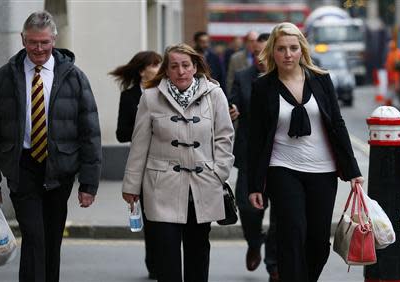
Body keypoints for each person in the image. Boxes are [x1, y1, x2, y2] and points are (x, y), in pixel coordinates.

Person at [0, 11, 101, 282]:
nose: (39, 49)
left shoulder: (74, 77)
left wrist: (89, 184)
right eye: (33, 42)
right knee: (34, 237)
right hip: (22, 167)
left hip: (60, 169)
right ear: (23, 39)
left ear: (54, 40)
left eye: (44, 42)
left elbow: (90, 133)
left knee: (51, 239)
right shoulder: (4, 78)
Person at [248, 22, 364, 282]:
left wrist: (353, 171)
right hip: (283, 168)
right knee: (292, 233)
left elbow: (337, 124)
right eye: (281, 49)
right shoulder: (263, 87)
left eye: (293, 48)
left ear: (302, 50)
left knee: (318, 242)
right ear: (272, 52)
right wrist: (254, 185)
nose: (288, 54)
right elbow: (255, 139)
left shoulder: (321, 79)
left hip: (322, 171)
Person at [121, 43, 234, 282]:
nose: (181, 71)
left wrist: (219, 171)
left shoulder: (214, 94)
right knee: (166, 257)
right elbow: (139, 144)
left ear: (195, 67)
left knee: (198, 253)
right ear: (167, 70)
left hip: (203, 184)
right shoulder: (150, 98)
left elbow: (225, 135)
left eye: (185, 65)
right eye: (174, 66)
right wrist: (131, 186)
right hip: (161, 186)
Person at [228, 33, 278, 281]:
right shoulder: (243, 77)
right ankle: (254, 241)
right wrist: (232, 110)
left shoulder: (285, 77)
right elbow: (232, 102)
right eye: (255, 52)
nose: (259, 58)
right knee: (247, 210)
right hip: (249, 156)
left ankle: (274, 265)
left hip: (280, 158)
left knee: (281, 214)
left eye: (264, 53)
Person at [109, 50, 162, 279]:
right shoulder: (129, 96)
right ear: (143, 71)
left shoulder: (167, 93)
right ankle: (154, 262)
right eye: (155, 64)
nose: (159, 68)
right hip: (142, 163)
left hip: (167, 161)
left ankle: (167, 259)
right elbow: (121, 134)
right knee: (150, 216)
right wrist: (145, 128)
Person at [384, 39, 400, 106]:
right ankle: (389, 102)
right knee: (391, 89)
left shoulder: (398, 53)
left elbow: (399, 63)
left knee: (396, 89)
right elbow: (388, 64)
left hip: (396, 75)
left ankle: (393, 102)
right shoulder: (390, 53)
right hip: (391, 75)